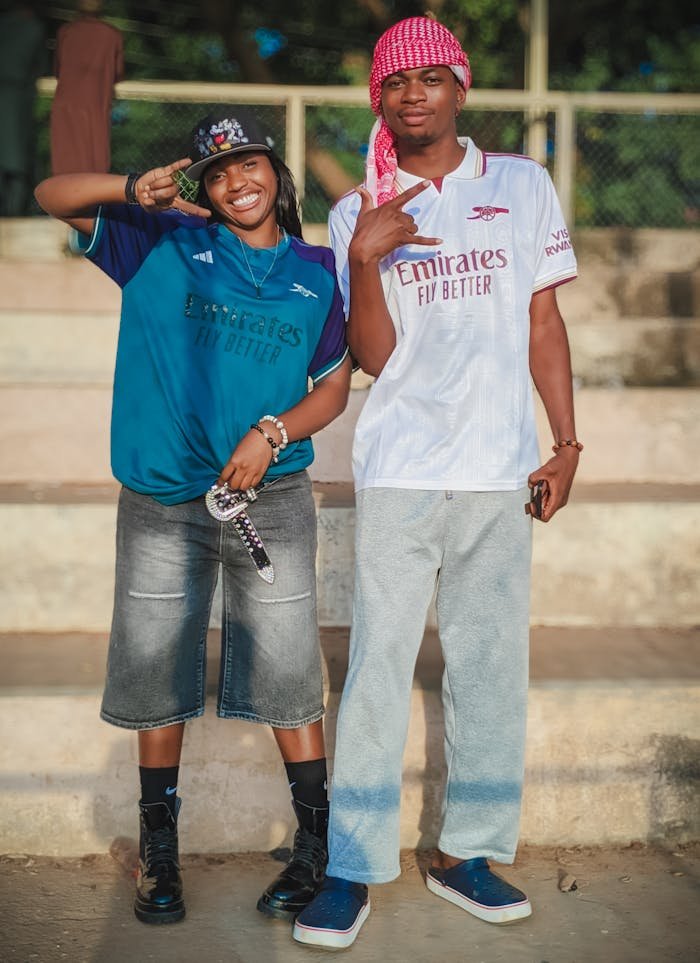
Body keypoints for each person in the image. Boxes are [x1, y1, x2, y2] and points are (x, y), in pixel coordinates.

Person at [293, 16, 581, 949]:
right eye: (395, 82)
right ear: (380, 99)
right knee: (377, 663)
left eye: (430, 76)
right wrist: (369, 257)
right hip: (403, 470)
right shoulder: (356, 210)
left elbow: (542, 323)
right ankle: (352, 865)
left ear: (460, 88)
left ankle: (469, 852)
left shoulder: (521, 185)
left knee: (492, 663)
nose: (412, 93)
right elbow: (374, 356)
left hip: (499, 469)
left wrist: (566, 441)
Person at [35, 105, 351, 926]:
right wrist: (126, 188)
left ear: (277, 176)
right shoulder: (159, 242)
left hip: (271, 498)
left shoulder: (316, 270)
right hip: (162, 501)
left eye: (250, 164)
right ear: (201, 188)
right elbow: (50, 192)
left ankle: (315, 848)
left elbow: (331, 387)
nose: (236, 180)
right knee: (153, 671)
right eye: (216, 171)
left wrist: (272, 429)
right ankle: (159, 853)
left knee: (288, 671)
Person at [50, 0, 123, 176]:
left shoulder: (66, 32)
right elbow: (118, 73)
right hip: (96, 106)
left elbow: (57, 70)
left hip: (66, 106)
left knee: (65, 165)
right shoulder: (112, 35)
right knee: (95, 164)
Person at [0, 2, 46, 216]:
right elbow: (41, 67)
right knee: (17, 161)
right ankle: (14, 212)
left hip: (14, 101)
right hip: (18, 102)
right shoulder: (33, 29)